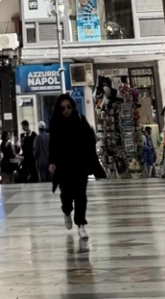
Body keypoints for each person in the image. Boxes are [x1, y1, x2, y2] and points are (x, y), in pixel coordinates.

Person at [48, 94, 98, 243]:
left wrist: (90, 160)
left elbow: (90, 139)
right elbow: (53, 144)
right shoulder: (55, 123)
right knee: (67, 194)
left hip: (79, 164)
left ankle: (81, 224)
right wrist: (52, 161)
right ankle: (67, 211)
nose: (66, 111)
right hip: (63, 166)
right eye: (63, 108)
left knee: (81, 195)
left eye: (69, 107)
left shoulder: (80, 120)